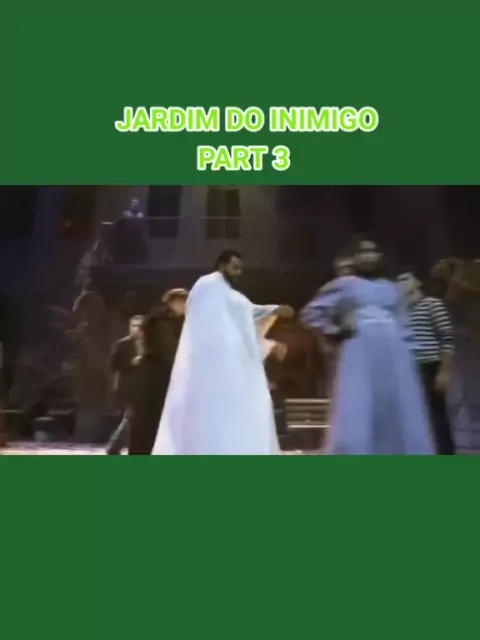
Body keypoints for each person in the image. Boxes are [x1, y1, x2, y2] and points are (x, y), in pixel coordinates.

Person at [301, 237, 434, 455]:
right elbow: (310, 313)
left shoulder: (393, 289)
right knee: (360, 398)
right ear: (353, 258)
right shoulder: (344, 285)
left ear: (380, 256)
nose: (368, 256)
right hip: (360, 346)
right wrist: (336, 330)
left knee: (396, 401)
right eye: (362, 252)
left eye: (372, 251)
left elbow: (404, 323)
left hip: (395, 349)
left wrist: (411, 354)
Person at [152, 250, 294, 455]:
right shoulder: (207, 285)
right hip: (209, 365)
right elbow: (212, 320)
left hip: (227, 369)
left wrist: (273, 310)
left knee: (231, 416)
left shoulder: (231, 295)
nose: (238, 273)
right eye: (234, 267)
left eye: (240, 269)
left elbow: (246, 313)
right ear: (221, 265)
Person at [397, 268, 455, 454]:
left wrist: (444, 371)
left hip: (429, 364)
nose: (403, 284)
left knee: (435, 415)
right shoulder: (398, 311)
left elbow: (447, 338)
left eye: (407, 279)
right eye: (399, 280)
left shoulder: (432, 304)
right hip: (406, 367)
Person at [129, 288, 188, 455]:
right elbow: (167, 349)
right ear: (174, 302)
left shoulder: (170, 319)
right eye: (183, 303)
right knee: (149, 419)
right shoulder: (162, 320)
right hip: (155, 376)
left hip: (160, 374)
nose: (186, 308)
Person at [105, 315, 143, 455]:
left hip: (144, 387)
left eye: (140, 326)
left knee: (134, 418)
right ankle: (113, 447)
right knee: (130, 417)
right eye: (134, 326)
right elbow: (113, 365)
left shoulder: (149, 344)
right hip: (127, 387)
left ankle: (118, 447)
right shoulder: (122, 344)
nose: (136, 329)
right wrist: (131, 363)